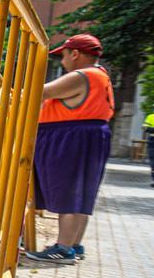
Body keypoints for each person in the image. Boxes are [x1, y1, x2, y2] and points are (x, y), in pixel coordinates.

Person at [25, 34, 114, 264]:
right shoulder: (100, 76)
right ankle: (73, 244)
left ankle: (63, 248)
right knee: (81, 191)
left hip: (71, 136)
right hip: (87, 134)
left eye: (63, 56)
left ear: (75, 54)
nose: (62, 62)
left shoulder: (83, 75)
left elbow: (39, 92)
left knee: (68, 190)